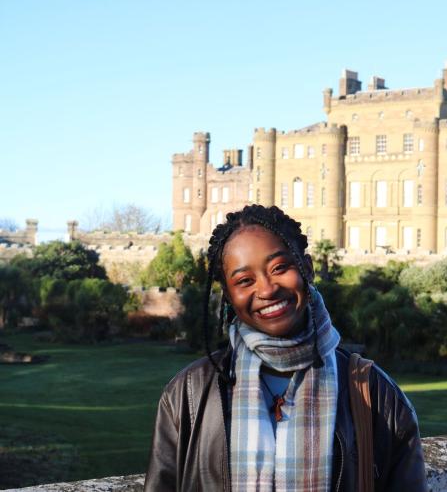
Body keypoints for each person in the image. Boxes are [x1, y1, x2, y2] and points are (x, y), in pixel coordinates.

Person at [145, 205, 427, 492]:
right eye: (245, 281)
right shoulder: (187, 395)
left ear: (307, 268)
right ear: (229, 296)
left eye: (279, 268)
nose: (267, 289)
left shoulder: (377, 395)